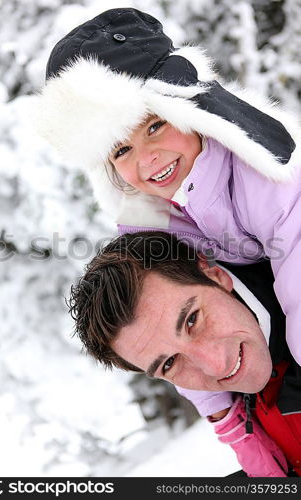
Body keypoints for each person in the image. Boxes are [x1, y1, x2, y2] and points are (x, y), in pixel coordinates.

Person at [36, 7, 301, 471]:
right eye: (121, 149)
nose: (148, 158)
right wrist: (243, 439)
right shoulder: (155, 224)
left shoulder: (268, 176)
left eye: (155, 125)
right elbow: (171, 345)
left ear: (186, 107)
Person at [67, 230, 301, 477]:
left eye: (192, 320)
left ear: (216, 275)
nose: (216, 367)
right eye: (169, 363)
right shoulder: (244, 408)